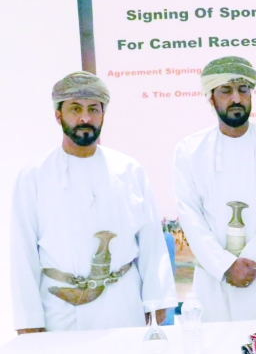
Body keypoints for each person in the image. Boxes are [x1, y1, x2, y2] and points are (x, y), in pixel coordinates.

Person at [11, 72, 176, 333]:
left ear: (103, 115)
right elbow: (23, 253)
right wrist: (29, 322)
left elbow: (151, 241)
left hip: (122, 303)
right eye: (75, 109)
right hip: (60, 309)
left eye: (93, 110)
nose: (84, 118)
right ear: (58, 115)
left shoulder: (128, 169)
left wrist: (156, 300)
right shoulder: (34, 175)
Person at [173, 56, 256, 322]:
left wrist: (250, 261)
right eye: (226, 91)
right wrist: (225, 265)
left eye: (243, 90)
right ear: (211, 97)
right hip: (215, 279)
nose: (236, 99)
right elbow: (190, 215)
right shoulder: (190, 150)